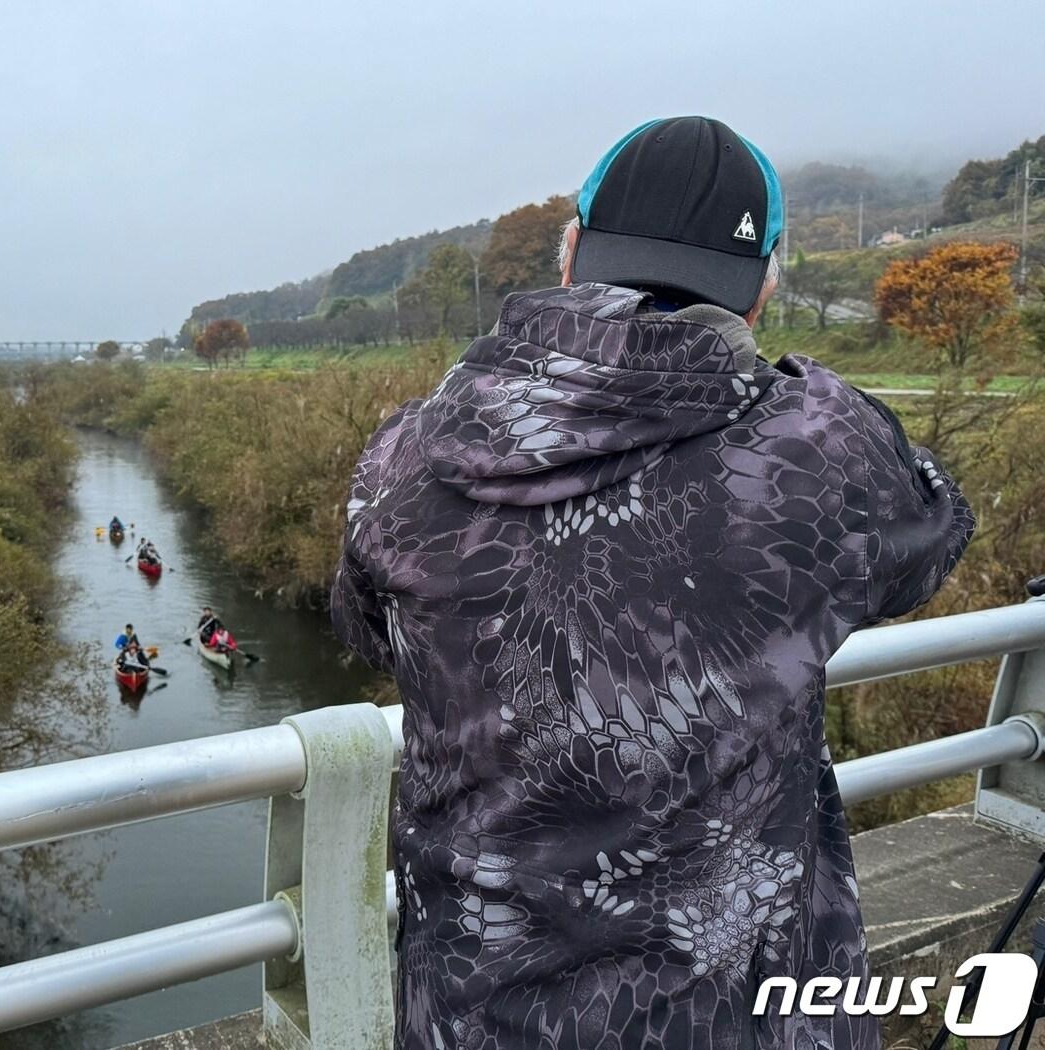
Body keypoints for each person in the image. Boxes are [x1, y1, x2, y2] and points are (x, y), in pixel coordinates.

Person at [330, 116, 973, 1050]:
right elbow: (933, 543)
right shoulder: (822, 449)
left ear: (570, 257)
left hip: (471, 1017)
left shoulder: (406, 454)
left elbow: (364, 629)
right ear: (761, 290)